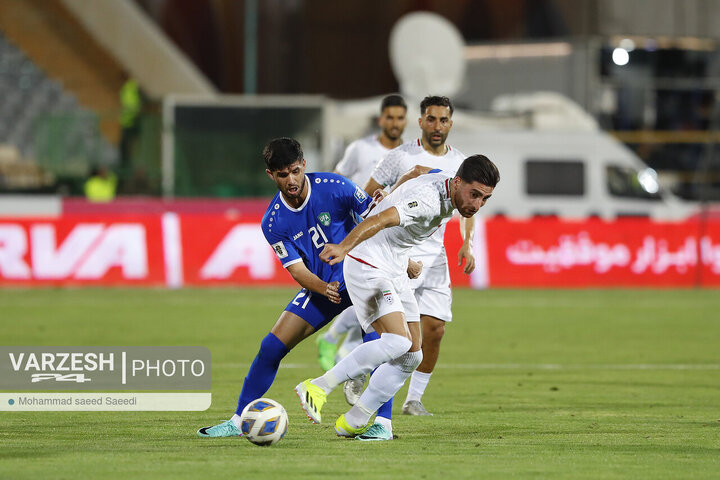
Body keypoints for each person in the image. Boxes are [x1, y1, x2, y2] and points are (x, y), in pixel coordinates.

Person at [295, 154, 500, 441]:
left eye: (484, 199)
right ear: (457, 183)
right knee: (398, 341)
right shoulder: (428, 200)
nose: (477, 204)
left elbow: (417, 169)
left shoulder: (446, 178)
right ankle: (317, 386)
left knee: (412, 355)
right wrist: (343, 247)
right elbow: (380, 219)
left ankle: (355, 420)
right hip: (368, 262)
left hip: (394, 265)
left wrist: (390, 195)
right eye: (474, 195)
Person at [197, 137, 372, 438]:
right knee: (271, 347)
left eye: (294, 171)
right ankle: (239, 421)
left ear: (304, 164)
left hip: (363, 277)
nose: (291, 180)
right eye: (282, 174)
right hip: (322, 287)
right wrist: (322, 287)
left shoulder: (335, 186)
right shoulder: (273, 221)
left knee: (383, 344)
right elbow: (296, 269)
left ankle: (379, 423)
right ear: (271, 175)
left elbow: (375, 220)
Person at [363, 95, 475, 416]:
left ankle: (414, 400)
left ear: (451, 123)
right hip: (401, 251)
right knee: (392, 331)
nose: (436, 126)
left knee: (435, 329)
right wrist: (381, 196)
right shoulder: (400, 157)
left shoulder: (461, 164)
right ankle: (362, 381)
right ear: (421, 121)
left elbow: (469, 206)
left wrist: (467, 242)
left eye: (443, 120)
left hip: (435, 256)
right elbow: (368, 192)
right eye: (431, 119)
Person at [317, 94, 408, 404]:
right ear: (381, 119)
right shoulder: (360, 149)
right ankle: (349, 370)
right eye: (390, 117)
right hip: (359, 235)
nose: (395, 123)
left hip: (392, 239)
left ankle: (340, 349)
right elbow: (337, 181)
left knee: (382, 309)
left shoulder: (409, 155)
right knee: (377, 306)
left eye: (400, 118)